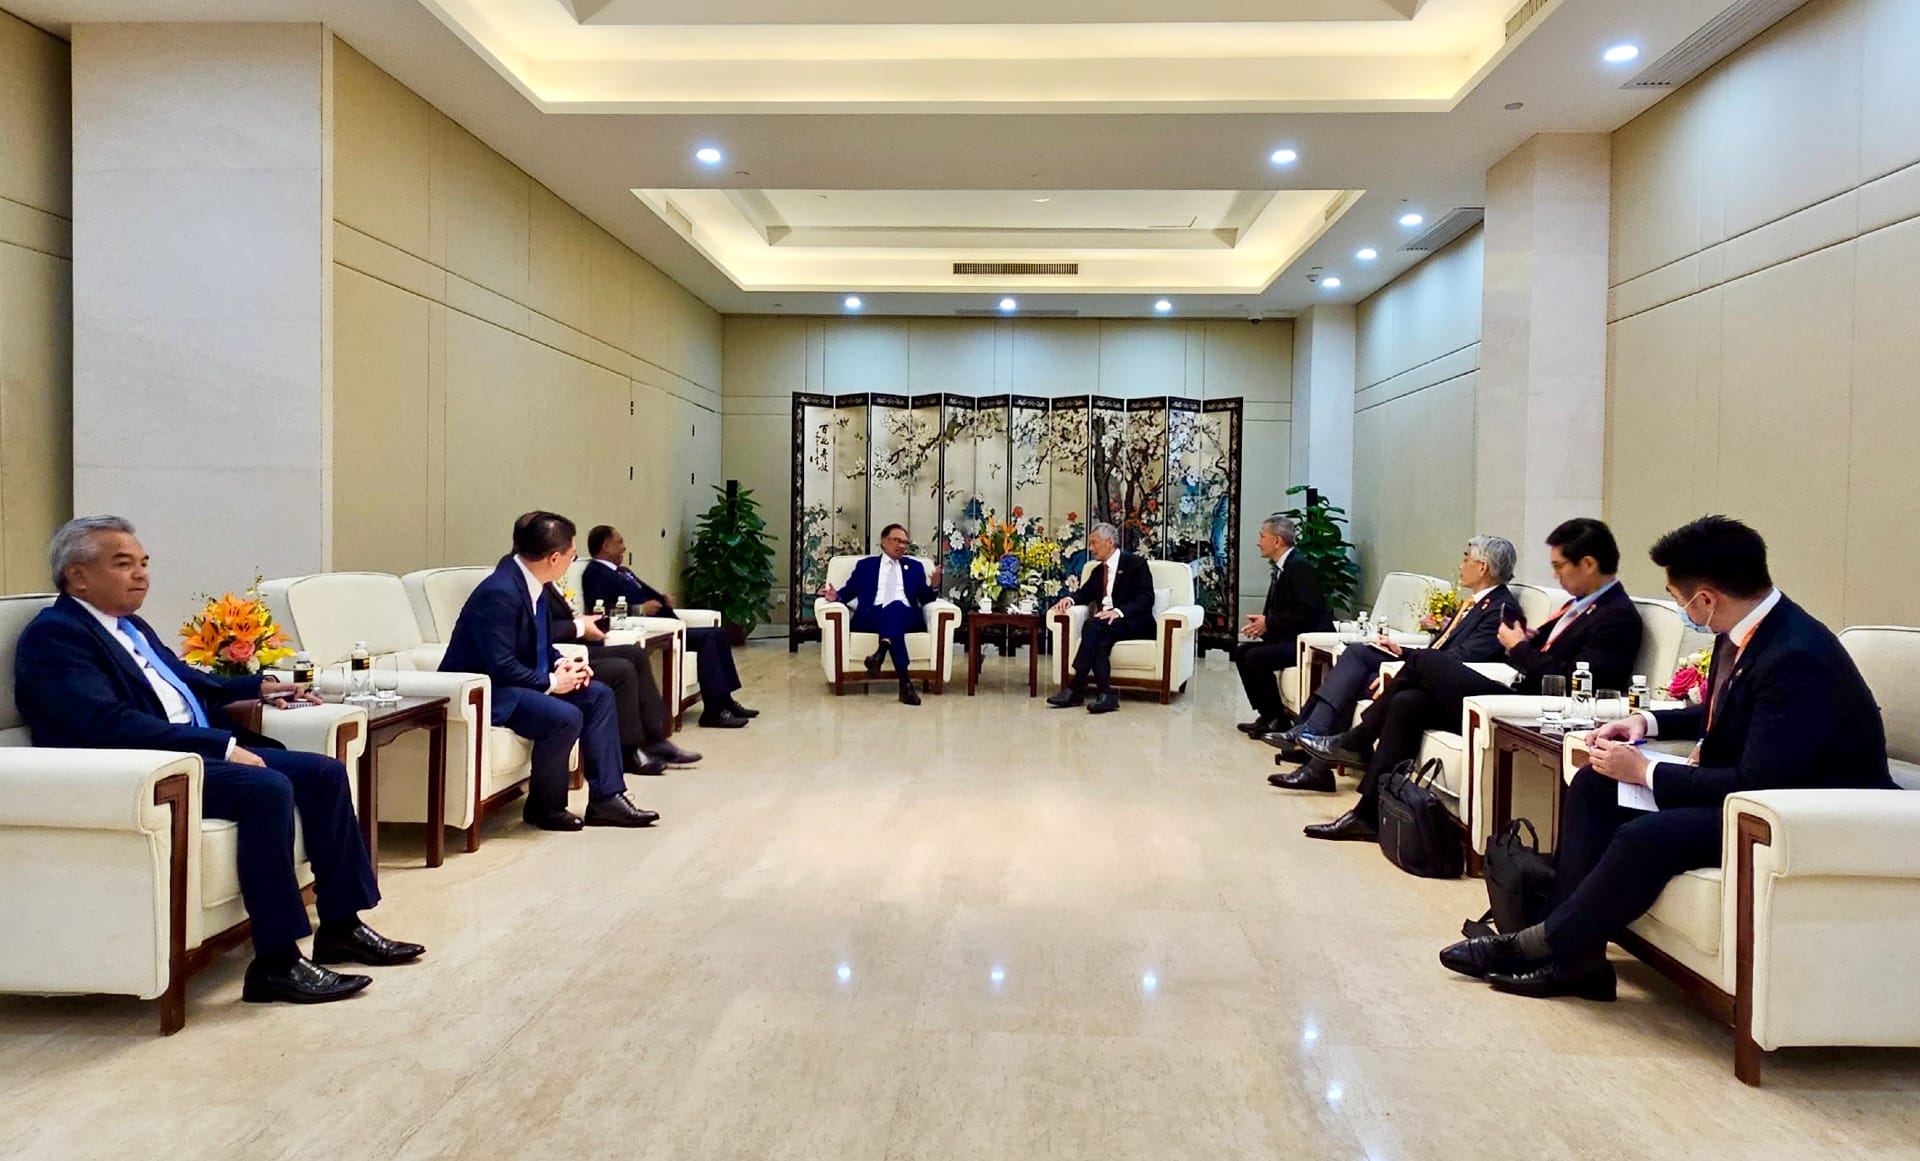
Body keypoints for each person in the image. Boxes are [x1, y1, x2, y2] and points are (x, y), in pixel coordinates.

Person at [1439, 516, 1895, 1000]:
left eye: (1679, 599)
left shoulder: (1796, 655)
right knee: (1594, 784)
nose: (1681, 610)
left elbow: (1757, 780)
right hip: (1750, 796)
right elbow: (1724, 713)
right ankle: (1579, 962)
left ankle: (1537, 945)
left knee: (1646, 836)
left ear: (1706, 599)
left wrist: (1646, 771)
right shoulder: (1746, 629)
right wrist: (1646, 723)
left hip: (1798, 813)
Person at [14, 516, 423, 1006]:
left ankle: (341, 926)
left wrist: (260, 687)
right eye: (123, 564)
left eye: (144, 563)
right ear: (78, 576)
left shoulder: (129, 627)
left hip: (186, 754)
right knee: (266, 789)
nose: (141, 574)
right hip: (139, 769)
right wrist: (221, 746)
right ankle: (276, 963)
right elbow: (104, 723)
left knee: (324, 773)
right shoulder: (56, 636)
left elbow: (187, 681)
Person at [1297, 518, 1643, 843]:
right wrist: (1526, 641)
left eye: (1559, 566)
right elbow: (1541, 655)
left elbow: (1578, 681)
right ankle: (1368, 815)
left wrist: (1520, 647)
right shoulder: (1579, 607)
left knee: (1426, 661)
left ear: (1588, 564)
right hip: (1514, 694)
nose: (1555, 575)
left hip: (1534, 710)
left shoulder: (1616, 616)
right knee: (1408, 703)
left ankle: (1355, 740)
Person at [439, 511, 659, 831]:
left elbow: (540, 644)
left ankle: (607, 798)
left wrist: (560, 663)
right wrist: (554, 681)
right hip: (486, 691)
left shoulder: (532, 583)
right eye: (572, 555)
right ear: (554, 558)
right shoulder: (499, 592)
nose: (572, 561)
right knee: (563, 717)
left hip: (517, 683)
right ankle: (545, 807)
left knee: (598, 695)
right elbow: (500, 666)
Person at [1268, 535, 1523, 792]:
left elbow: (1464, 658)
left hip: (1445, 685)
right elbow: (1441, 649)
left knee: (1357, 682)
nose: (1460, 565)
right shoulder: (1475, 603)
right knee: (1358, 654)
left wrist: (1404, 669)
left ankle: (1316, 760)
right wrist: (1403, 651)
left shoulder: (1499, 610)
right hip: (1425, 668)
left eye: (1465, 559)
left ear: (1482, 567)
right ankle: (1312, 733)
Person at [580, 524, 755, 729]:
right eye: (619, 542)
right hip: (653, 628)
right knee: (708, 637)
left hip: (669, 623)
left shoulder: (623, 571)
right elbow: (599, 608)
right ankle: (714, 712)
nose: (624, 547)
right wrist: (639, 609)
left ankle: (725, 701)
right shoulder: (595, 573)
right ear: (606, 546)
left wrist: (662, 599)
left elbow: (646, 592)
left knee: (719, 633)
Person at [539, 579, 700, 775]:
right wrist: (579, 626)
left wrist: (582, 621)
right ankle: (628, 751)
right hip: (567, 654)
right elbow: (543, 632)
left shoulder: (546, 582)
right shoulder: (530, 585)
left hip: (576, 646)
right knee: (622, 669)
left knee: (635, 653)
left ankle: (655, 739)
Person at [817, 522, 942, 706]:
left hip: (907, 616)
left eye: (905, 542)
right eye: (897, 540)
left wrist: (934, 585)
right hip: (871, 616)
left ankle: (881, 654)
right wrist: (836, 596)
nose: (901, 545)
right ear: (884, 541)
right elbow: (848, 591)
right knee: (893, 616)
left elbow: (925, 599)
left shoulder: (914, 567)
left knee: (896, 606)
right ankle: (904, 684)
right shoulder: (866, 566)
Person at [1233, 514, 1333, 738]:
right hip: (1288, 637)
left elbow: (1309, 612)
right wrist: (1264, 623)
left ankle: (1277, 719)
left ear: (1277, 541)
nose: (1258, 542)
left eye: (1262, 536)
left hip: (1307, 643)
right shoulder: (1284, 566)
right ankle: (1267, 714)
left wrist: (1269, 622)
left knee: (1255, 657)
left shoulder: (1299, 567)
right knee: (1242, 652)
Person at [1046, 521, 1156, 715]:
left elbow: (1146, 598)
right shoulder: (1098, 571)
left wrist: (1118, 612)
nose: (1091, 548)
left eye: (1094, 543)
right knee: (1099, 643)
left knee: (1092, 625)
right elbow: (1084, 593)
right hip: (1106, 626)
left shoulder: (1135, 564)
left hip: (1133, 622)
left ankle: (1076, 686)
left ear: (1110, 542)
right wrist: (1069, 600)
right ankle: (1106, 694)